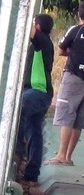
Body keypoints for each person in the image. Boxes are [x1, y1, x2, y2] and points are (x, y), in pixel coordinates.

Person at [45, 1, 84, 166]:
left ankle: (61, 154)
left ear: (79, 14)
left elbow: (62, 49)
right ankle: (69, 156)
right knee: (79, 118)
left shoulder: (75, 30)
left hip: (73, 76)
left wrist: (72, 51)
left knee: (66, 115)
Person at [17, 14, 54, 180]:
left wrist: (24, 11)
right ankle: (31, 174)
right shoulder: (39, 45)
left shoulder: (43, 41)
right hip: (39, 93)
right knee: (34, 131)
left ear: (38, 27)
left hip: (37, 92)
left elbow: (29, 30)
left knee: (17, 109)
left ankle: (16, 150)